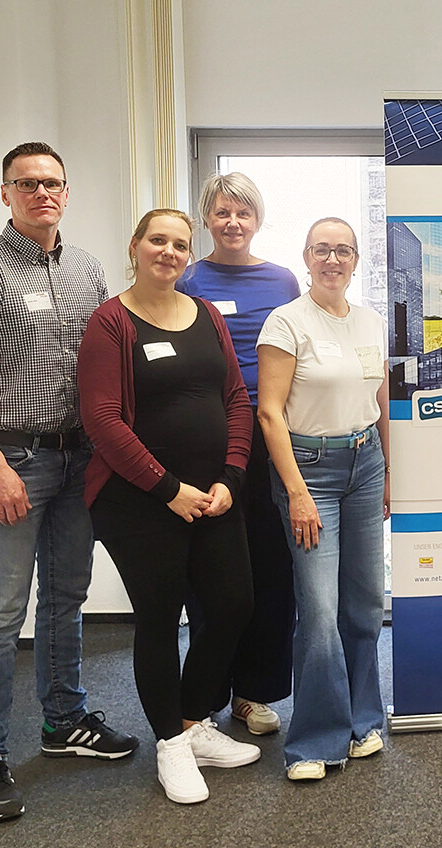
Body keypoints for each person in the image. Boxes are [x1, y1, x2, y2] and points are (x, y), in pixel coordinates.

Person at [0, 141, 138, 822]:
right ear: (5, 193)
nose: (41, 193)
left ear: (67, 192)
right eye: (27, 183)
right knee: (1, 611)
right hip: (12, 461)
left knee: (66, 598)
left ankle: (63, 722)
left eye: (52, 183)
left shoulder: (86, 268)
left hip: (80, 458)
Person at [79, 209, 261, 805]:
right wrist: (167, 489)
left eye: (180, 245)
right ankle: (169, 744)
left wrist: (232, 475)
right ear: (134, 247)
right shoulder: (110, 322)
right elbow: (103, 420)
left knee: (233, 605)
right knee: (160, 618)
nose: (170, 252)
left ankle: (191, 722)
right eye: (158, 241)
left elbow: (235, 396)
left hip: (213, 496)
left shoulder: (205, 314)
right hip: (140, 502)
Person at [257, 217, 390, 781]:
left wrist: (390, 475)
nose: (333, 259)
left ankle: (364, 720)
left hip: (366, 465)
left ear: (356, 260)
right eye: (322, 250)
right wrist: (297, 494)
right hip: (309, 471)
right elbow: (269, 413)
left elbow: (381, 399)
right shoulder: (285, 322)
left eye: (343, 250)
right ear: (306, 257)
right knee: (317, 610)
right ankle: (313, 741)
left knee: (363, 605)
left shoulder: (370, 321)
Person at [177, 172, 299, 735]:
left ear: (258, 220)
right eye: (222, 213)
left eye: (243, 214)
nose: (232, 223)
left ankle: (254, 694)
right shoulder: (185, 275)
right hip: (208, 439)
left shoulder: (282, 280)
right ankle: (206, 696)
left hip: (272, 436)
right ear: (207, 218)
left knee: (272, 570)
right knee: (213, 573)